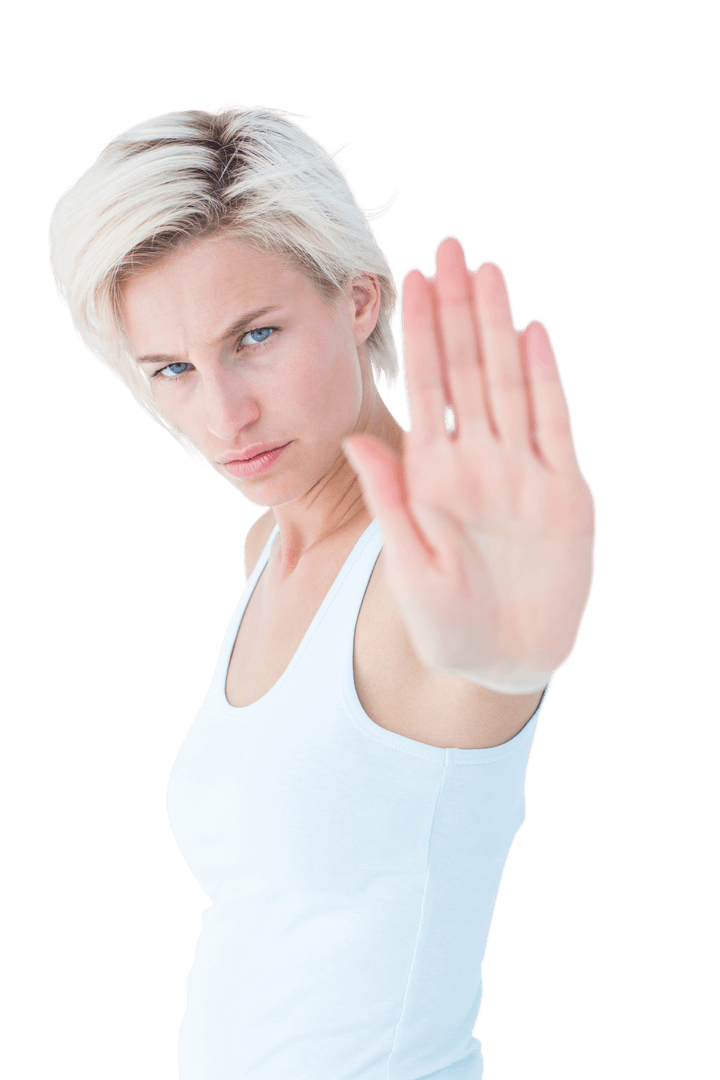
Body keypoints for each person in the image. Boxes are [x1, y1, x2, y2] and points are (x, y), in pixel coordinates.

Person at [48, 101, 597, 1079]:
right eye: (174, 368)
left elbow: (482, 664)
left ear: (357, 299)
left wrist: (515, 648)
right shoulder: (268, 548)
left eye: (255, 335)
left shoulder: (429, 568)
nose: (224, 415)